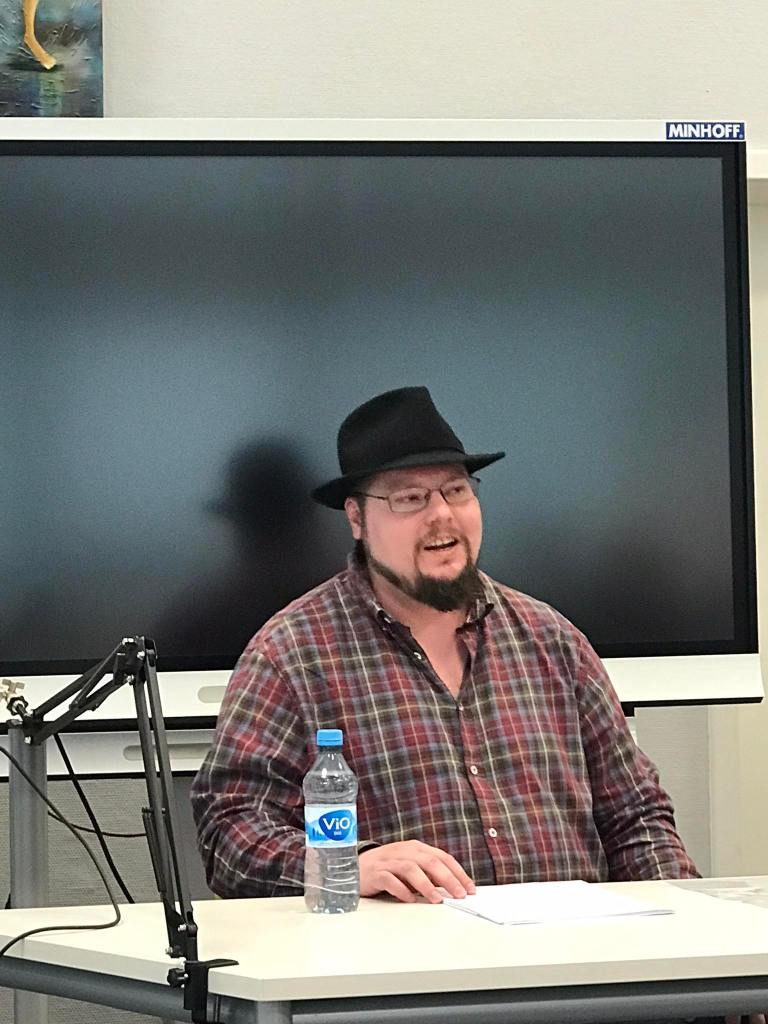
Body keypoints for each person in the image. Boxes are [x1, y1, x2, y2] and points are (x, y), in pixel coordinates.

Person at [192, 385, 701, 904]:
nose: (441, 515)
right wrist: (346, 864)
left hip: (572, 947)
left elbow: (637, 817)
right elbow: (230, 832)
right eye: (410, 498)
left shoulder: (553, 641)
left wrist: (687, 922)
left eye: (456, 490)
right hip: (401, 954)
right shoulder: (291, 654)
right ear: (357, 519)